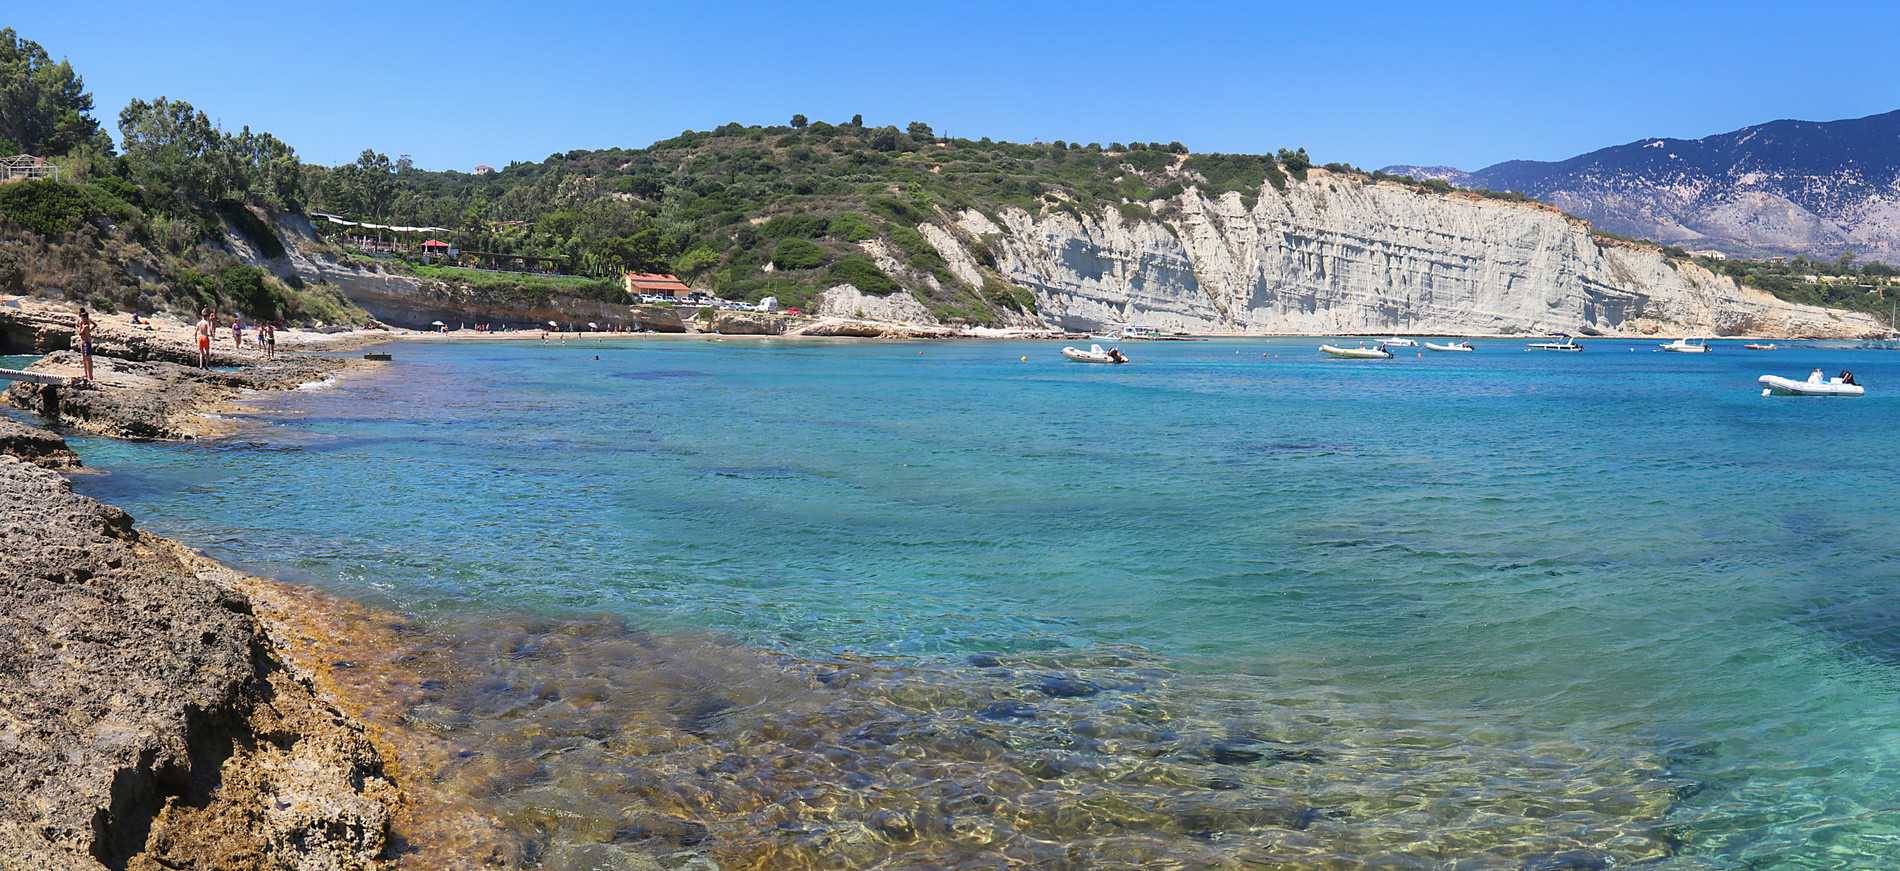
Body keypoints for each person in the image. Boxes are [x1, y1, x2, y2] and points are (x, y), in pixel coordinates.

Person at [75, 307, 95, 383]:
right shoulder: (80, 321)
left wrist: (78, 327)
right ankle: (87, 374)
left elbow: (80, 332)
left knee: (88, 359)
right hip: (83, 341)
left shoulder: (86, 324)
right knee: (84, 358)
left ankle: (90, 376)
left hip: (86, 341)